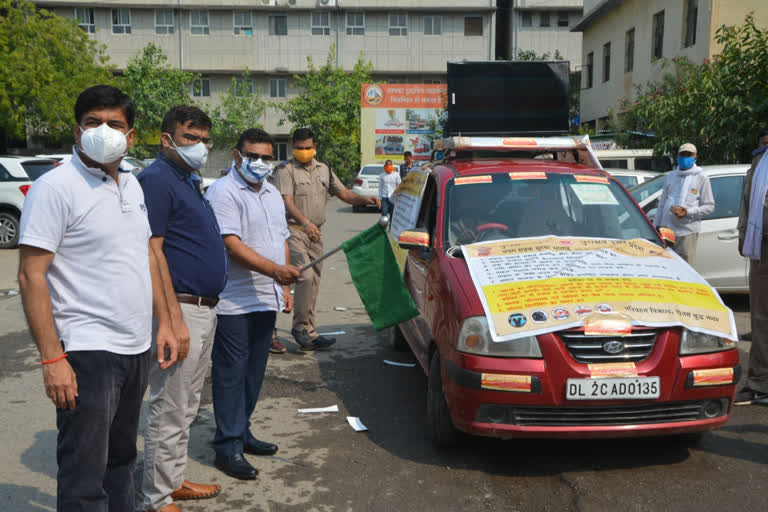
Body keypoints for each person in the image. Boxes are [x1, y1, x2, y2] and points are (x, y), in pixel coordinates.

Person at [17, 85, 177, 512]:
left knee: (122, 461)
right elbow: (32, 274)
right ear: (76, 128)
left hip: (134, 346)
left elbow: (146, 255)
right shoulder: (56, 187)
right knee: (84, 474)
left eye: (115, 124)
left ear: (130, 134)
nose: (103, 131)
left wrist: (164, 322)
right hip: (88, 352)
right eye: (93, 122)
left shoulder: (133, 185)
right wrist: (53, 360)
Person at [138, 106, 228, 512]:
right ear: (167, 138)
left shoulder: (187, 180)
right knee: (170, 404)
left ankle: (172, 481)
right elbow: (150, 251)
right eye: (191, 137)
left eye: (205, 139)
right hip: (181, 308)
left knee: (187, 403)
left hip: (203, 307)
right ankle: (156, 498)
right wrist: (172, 320)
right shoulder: (156, 180)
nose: (200, 147)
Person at [206, 128, 300, 480]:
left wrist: (285, 287)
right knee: (230, 374)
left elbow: (282, 239)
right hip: (234, 299)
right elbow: (230, 244)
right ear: (236, 155)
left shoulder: (273, 193)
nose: (260, 163)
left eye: (266, 157)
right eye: (253, 156)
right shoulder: (224, 192)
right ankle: (227, 446)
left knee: (254, 372)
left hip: (267, 296)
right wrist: (277, 271)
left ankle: (242, 431)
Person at [274, 127, 380, 350]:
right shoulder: (286, 170)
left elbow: (343, 193)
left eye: (308, 148)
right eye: (299, 148)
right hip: (293, 230)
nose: (304, 151)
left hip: (316, 234)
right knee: (304, 276)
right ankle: (299, 328)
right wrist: (305, 223)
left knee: (314, 283)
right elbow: (287, 202)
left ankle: (309, 332)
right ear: (293, 148)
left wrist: (365, 200)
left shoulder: (324, 170)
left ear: (315, 148)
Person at [736, 127, 768, 405]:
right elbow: (747, 203)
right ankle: (759, 382)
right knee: (760, 320)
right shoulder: (758, 167)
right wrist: (743, 233)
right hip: (763, 251)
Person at [654, 143, 714, 263]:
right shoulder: (671, 176)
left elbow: (709, 206)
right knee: (668, 267)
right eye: (682, 155)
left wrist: (688, 212)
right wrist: (656, 226)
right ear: (677, 157)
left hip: (687, 232)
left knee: (685, 267)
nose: (685, 158)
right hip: (667, 231)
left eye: (689, 155)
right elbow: (662, 204)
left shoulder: (701, 177)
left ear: (695, 157)